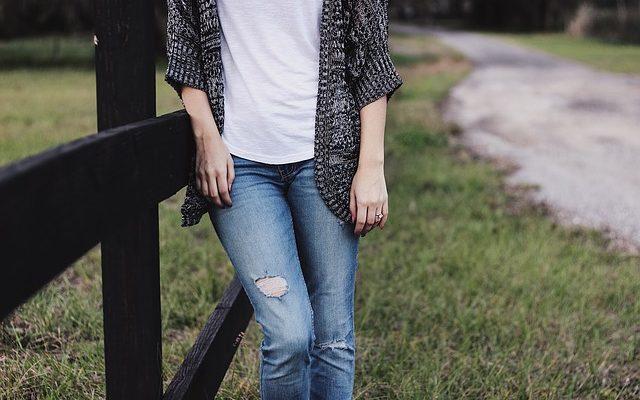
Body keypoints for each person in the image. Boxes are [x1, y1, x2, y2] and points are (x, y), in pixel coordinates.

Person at [164, 0, 402, 398]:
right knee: (289, 334)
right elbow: (184, 47)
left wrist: (372, 164)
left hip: (329, 157)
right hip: (240, 166)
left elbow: (372, 56)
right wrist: (206, 136)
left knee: (333, 337)